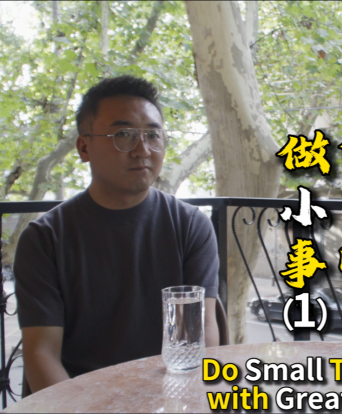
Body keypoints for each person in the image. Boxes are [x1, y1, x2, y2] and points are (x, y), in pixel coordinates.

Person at [14, 76, 220, 393]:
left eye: (153, 135)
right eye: (123, 135)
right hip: (79, 399)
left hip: (169, 395)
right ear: (84, 147)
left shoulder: (190, 226)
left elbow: (200, 336)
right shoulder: (45, 238)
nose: (142, 150)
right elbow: (41, 353)